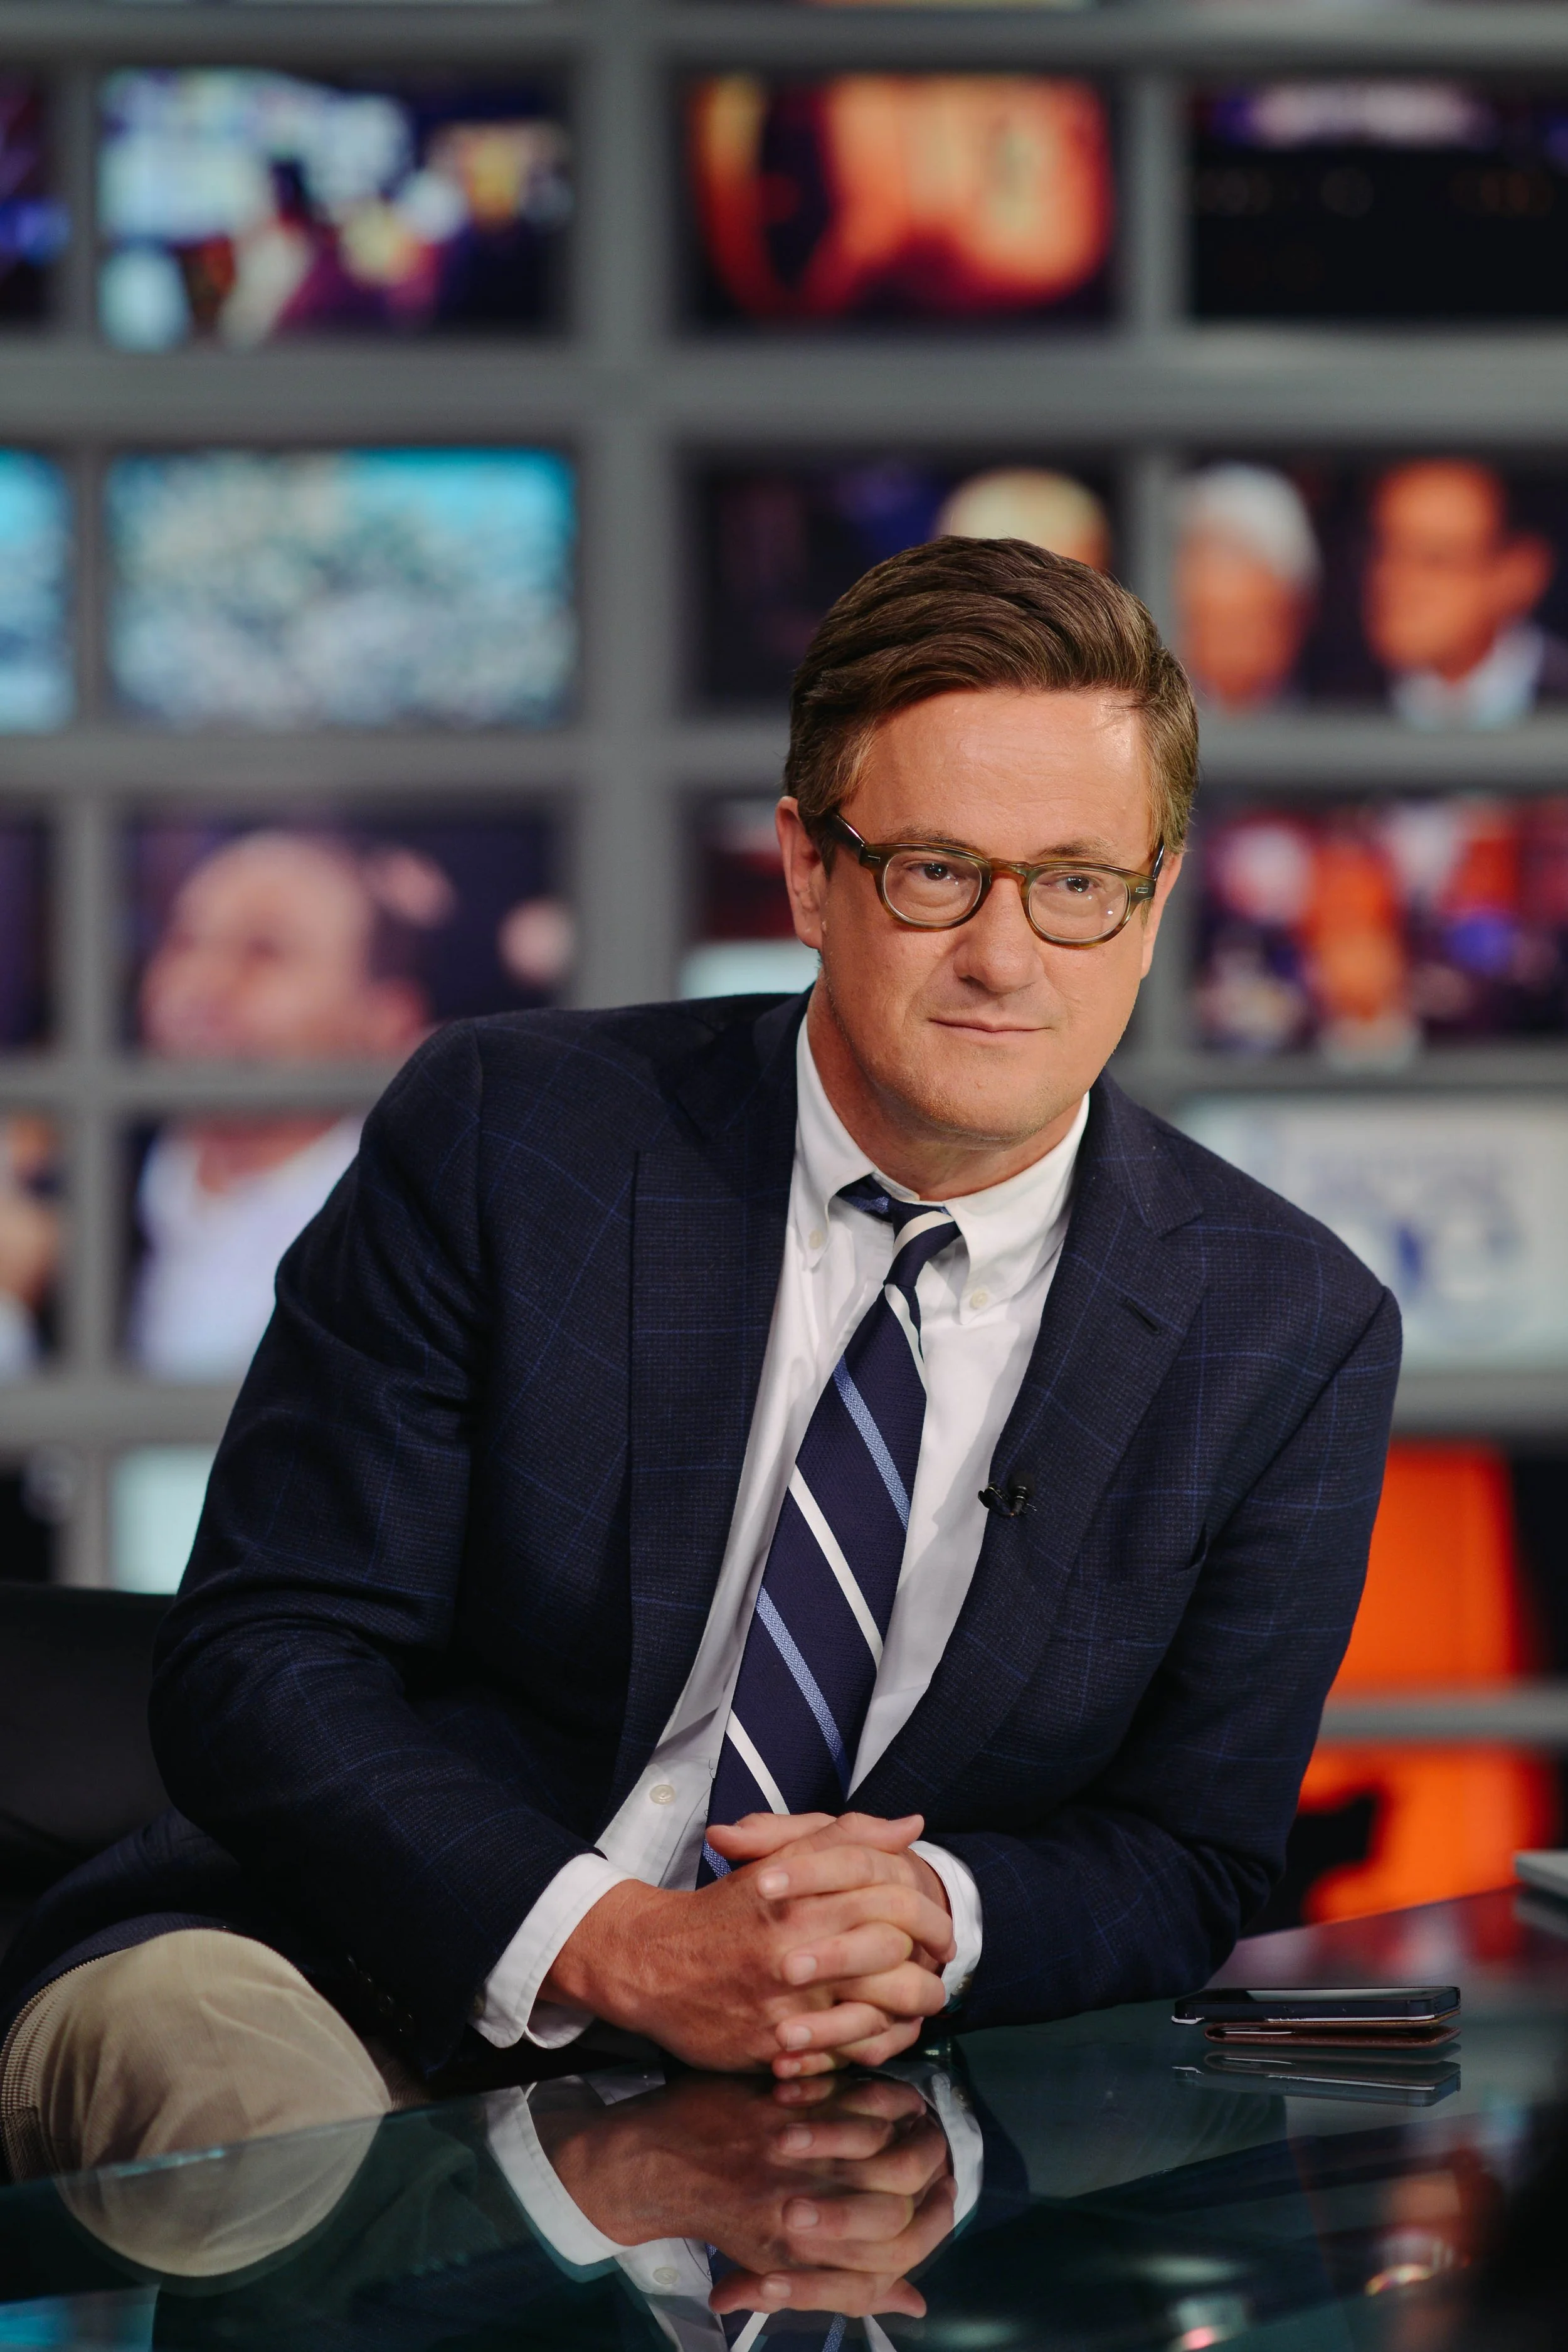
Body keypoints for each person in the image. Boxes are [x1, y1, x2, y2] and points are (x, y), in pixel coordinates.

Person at [0, 541, 1400, 2181]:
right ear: (806, 872)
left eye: (1076, 882)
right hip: (349, 1973)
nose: (1006, 955)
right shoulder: (511, 1136)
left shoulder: (1284, 1328)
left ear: (1152, 905)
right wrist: (616, 1944)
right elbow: (265, 1658)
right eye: (935, 871)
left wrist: (931, 1913)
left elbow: (1187, 1854)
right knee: (250, 2116)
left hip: (860, 2083)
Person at [127, 829, 440, 1380]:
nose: (202, 981)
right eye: (185, 941)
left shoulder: (419, 1244)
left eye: (266, 950)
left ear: (387, 1019)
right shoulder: (70, 1188)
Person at [1364, 460, 1568, 728]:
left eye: (1435, 559)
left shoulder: (1559, 700)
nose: (1390, 578)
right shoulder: (1335, 703)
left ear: (1517, 575)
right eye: (1382, 549)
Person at [1173, 463, 1320, 714]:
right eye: (1205, 627)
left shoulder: (1343, 708)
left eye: (1246, 629)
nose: (1227, 655)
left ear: (1299, 614)